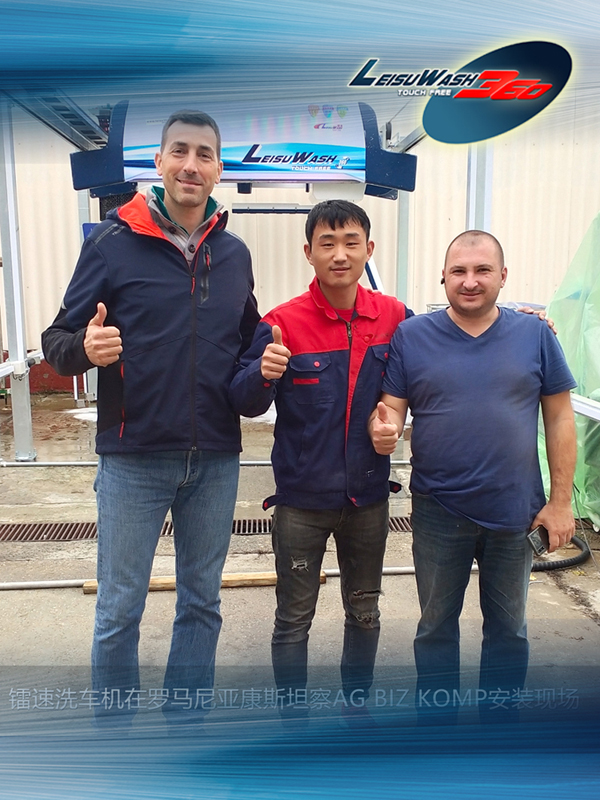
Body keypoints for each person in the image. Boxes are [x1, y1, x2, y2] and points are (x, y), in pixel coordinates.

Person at [42, 110, 260, 725]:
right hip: (133, 457)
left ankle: (185, 724)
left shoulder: (233, 253)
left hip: (214, 458)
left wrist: (270, 360)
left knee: (202, 603)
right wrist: (85, 349)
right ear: (159, 162)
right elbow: (57, 339)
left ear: (219, 169)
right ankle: (117, 733)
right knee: (119, 607)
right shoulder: (111, 243)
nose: (192, 165)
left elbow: (250, 335)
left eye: (204, 154)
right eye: (179, 152)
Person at [370, 230, 577, 723]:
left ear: (503, 276)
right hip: (438, 510)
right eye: (459, 271)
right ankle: (438, 729)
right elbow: (392, 408)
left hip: (515, 511)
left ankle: (496, 732)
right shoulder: (412, 336)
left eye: (482, 270)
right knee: (435, 628)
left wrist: (560, 502)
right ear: (442, 276)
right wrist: (384, 429)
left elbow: (560, 418)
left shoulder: (535, 335)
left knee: (508, 630)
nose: (470, 281)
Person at [229, 200, 413, 728]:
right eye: (327, 244)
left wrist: (517, 322)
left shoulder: (396, 318)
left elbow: (448, 344)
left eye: (351, 242)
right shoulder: (281, 323)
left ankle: (357, 709)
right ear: (308, 252)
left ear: (368, 249)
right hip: (301, 503)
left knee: (365, 611)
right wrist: (263, 372)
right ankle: (293, 720)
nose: (340, 255)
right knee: (293, 618)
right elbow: (244, 401)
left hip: (368, 498)